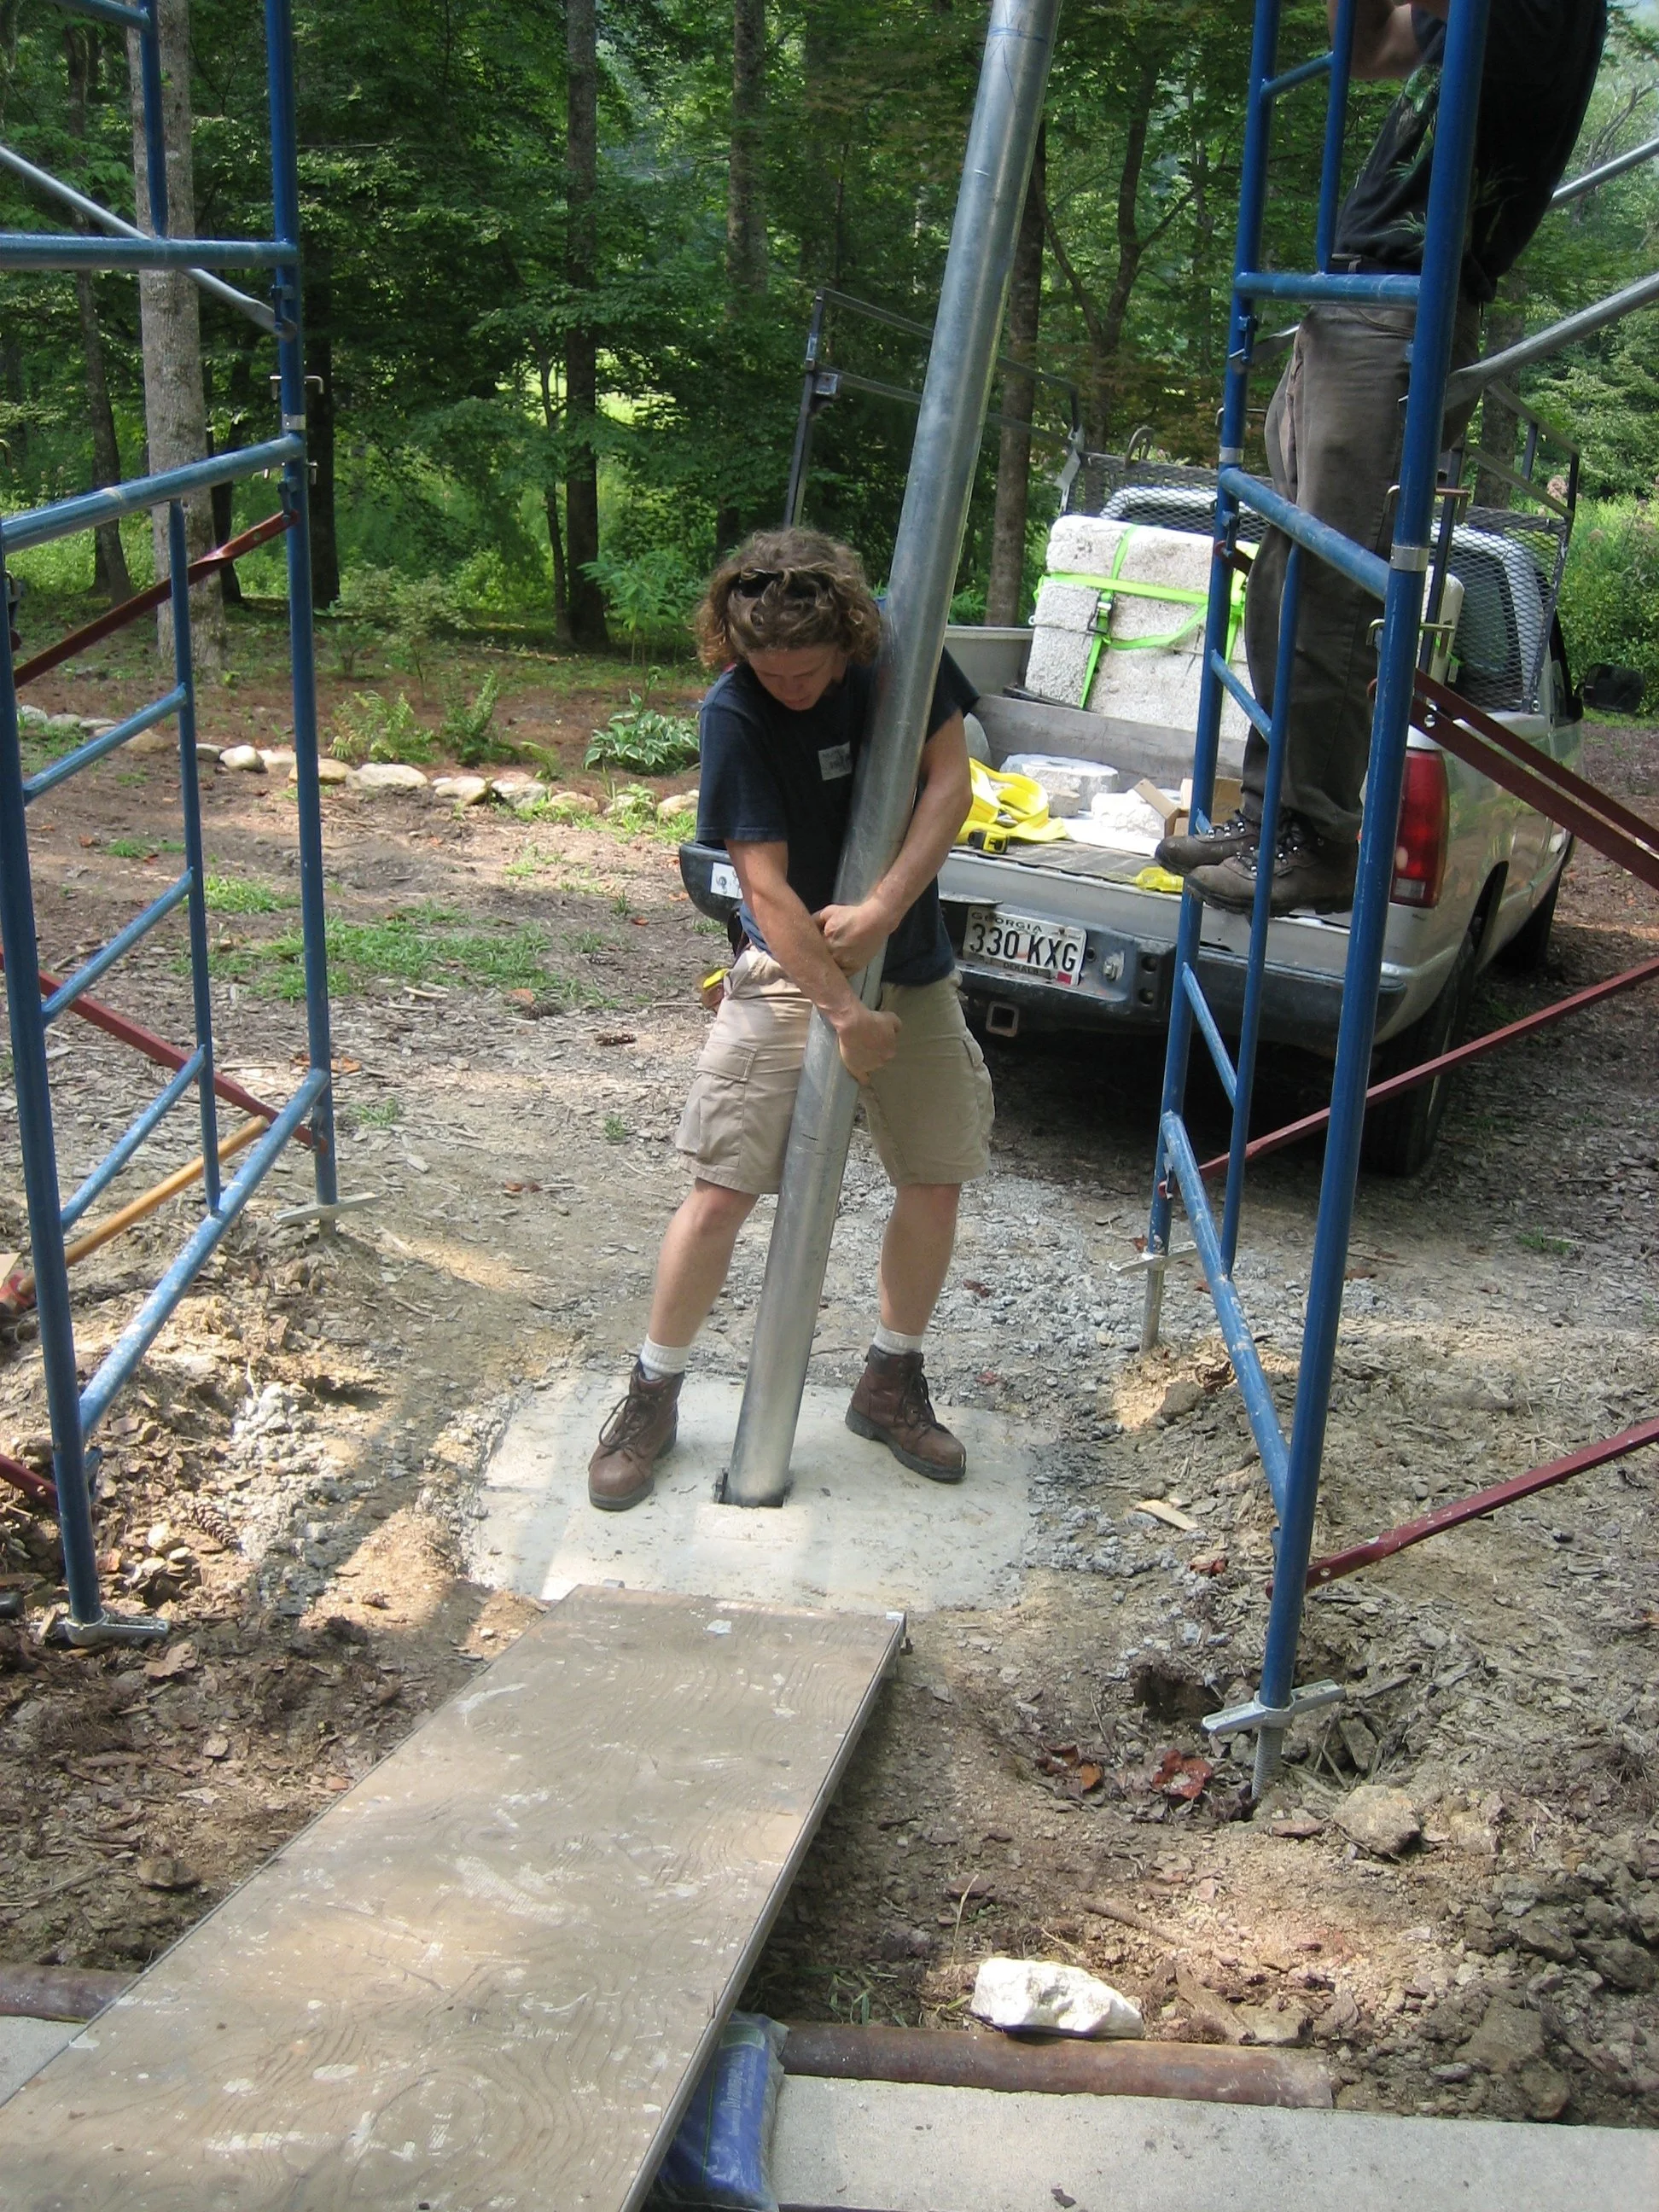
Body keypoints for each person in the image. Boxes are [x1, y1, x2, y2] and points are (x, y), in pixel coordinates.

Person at [1160, 0, 1605, 916]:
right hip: (1357, 292)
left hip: (1400, 309)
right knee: (1287, 573)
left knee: (1329, 584)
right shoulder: (1460, 24)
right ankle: (1274, 819)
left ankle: (1316, 836)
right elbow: (1364, 48)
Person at [587, 527, 994, 1512]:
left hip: (916, 963)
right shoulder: (734, 712)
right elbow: (764, 891)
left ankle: (889, 1381)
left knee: (936, 1179)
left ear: (847, 635)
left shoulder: (900, 654)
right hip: (784, 969)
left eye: (807, 671)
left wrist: (887, 909)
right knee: (722, 1189)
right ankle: (652, 1393)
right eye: (768, 669)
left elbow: (953, 784)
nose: (790, 687)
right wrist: (846, 1010)